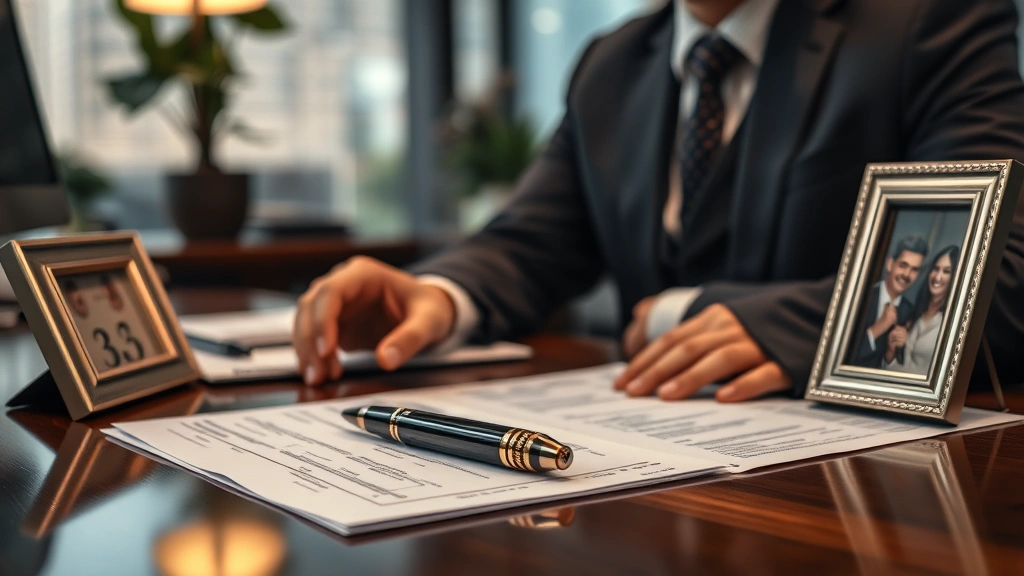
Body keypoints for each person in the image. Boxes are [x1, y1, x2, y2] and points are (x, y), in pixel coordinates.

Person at [294, 0, 1024, 402]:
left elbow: (999, 271)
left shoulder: (929, 21)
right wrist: (433, 295)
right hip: (654, 488)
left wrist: (687, 314)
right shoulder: (612, 62)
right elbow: (533, 242)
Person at [849, 236, 927, 369]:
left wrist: (890, 354)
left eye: (914, 269)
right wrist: (877, 329)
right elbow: (841, 357)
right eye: (903, 265)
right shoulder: (861, 298)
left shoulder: (911, 312)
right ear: (890, 264)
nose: (907, 274)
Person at [886, 245, 960, 376]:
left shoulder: (953, 322)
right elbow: (904, 366)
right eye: (935, 269)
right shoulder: (915, 314)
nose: (938, 277)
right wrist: (892, 353)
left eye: (946, 271)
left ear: (955, 277)